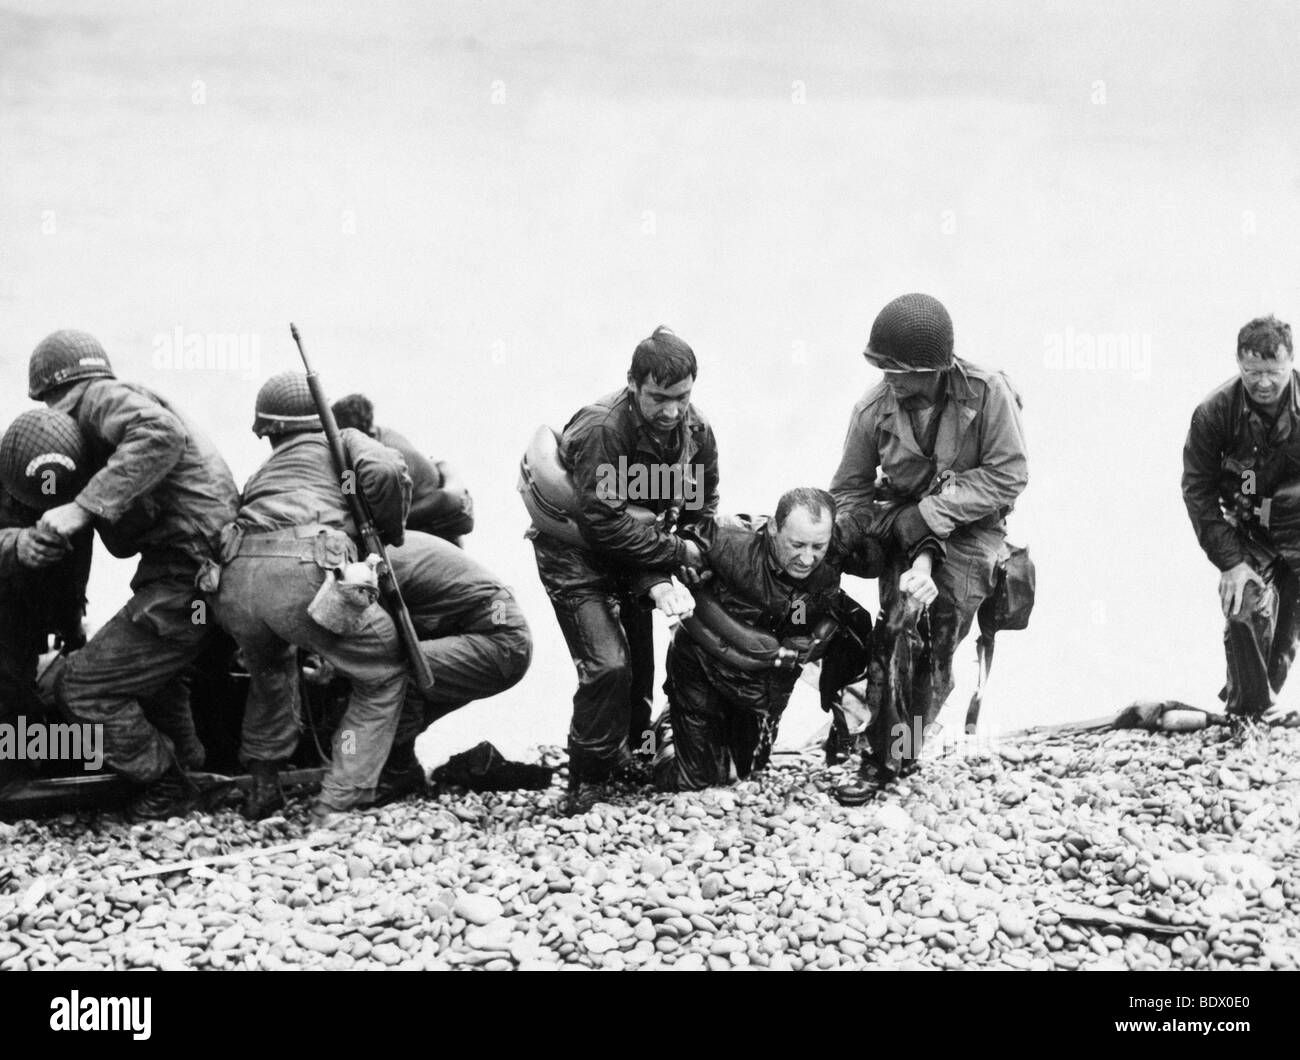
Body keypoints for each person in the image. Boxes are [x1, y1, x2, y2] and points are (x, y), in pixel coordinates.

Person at [25, 330, 239, 818]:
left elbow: (159, 435)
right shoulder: (114, 407)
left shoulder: (100, 398)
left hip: (188, 574)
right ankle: (187, 772)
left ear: (54, 393)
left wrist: (81, 508)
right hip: (196, 573)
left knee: (81, 687)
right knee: (157, 677)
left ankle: (165, 782)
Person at [829, 294, 1028, 803]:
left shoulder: (988, 393)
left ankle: (899, 748)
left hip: (971, 529)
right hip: (899, 520)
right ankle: (866, 730)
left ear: (935, 369)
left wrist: (934, 515)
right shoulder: (872, 410)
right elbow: (848, 490)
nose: (888, 378)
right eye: (881, 367)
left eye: (899, 369)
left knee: (936, 642)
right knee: (894, 628)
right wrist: (849, 536)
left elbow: (1009, 474)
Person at [213, 371, 414, 826]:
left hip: (236, 580)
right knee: (384, 669)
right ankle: (337, 803)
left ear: (269, 431)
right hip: (303, 570)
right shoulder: (341, 440)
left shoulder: (264, 471)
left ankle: (263, 790)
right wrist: (388, 532)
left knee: (269, 670)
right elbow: (386, 470)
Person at [529, 326, 717, 808]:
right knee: (607, 666)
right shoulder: (602, 431)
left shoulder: (694, 433)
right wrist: (675, 555)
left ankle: (632, 753)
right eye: (659, 397)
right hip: (577, 557)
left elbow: (702, 504)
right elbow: (603, 526)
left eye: (683, 396)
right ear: (633, 384)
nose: (672, 410)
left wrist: (693, 545)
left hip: (640, 555)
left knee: (640, 672)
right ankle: (587, 778)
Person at [651, 489, 909, 791]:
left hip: (767, 682)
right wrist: (663, 587)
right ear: (773, 528)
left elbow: (897, 529)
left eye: (818, 546)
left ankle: (726, 735)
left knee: (747, 769)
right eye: (796, 544)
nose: (807, 558)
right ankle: (666, 728)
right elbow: (655, 551)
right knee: (693, 781)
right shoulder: (726, 538)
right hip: (704, 668)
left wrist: (921, 565)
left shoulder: (838, 547)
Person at [1182, 315, 1300, 734]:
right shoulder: (1214, 414)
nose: (1263, 383)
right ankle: (1248, 712)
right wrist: (1230, 562)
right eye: (1252, 372)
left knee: (1285, 640)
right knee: (1243, 606)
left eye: (1274, 372)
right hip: (1250, 531)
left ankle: (1258, 710)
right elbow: (1198, 492)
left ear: (1291, 362)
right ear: (1238, 362)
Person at [369, 529, 533, 802]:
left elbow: (370, 646)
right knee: (396, 689)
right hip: (491, 630)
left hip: (499, 639)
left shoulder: (376, 565)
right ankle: (392, 767)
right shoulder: (383, 547)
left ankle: (400, 774)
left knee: (395, 673)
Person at [0, 409, 93, 784]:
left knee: (18, 695)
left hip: (23, 615)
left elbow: (73, 571)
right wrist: (15, 545)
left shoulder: (75, 498)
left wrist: (71, 628)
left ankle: (18, 777)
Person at [332, 393, 474, 545]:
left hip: (431, 522)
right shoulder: (380, 434)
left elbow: (357, 500)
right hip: (431, 511)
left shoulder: (378, 453)